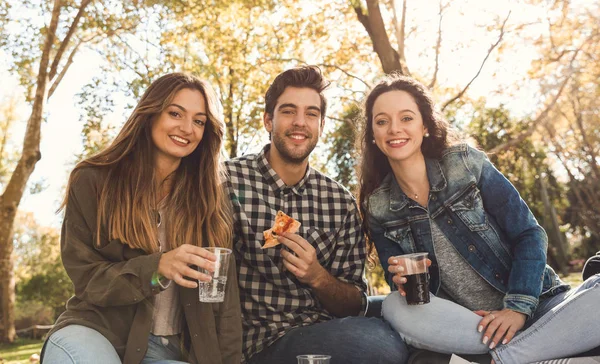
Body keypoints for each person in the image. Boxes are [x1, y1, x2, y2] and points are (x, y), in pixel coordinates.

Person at [357, 74, 600, 363]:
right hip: (471, 325)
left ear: (424, 126)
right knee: (394, 305)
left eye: (406, 118)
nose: (394, 129)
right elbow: (400, 282)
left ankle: (508, 357)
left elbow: (529, 234)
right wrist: (398, 278)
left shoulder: (465, 164)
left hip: (539, 306)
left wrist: (516, 308)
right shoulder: (378, 206)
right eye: (382, 121)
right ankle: (539, 353)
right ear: (373, 134)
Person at [42, 73, 242, 364]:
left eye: (199, 121)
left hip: (170, 350)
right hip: (95, 332)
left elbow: (226, 306)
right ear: (150, 114)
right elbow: (88, 280)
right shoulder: (93, 181)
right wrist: (157, 267)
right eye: (175, 113)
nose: (187, 128)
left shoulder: (210, 202)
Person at [225, 66, 409, 364]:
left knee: (402, 319)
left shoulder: (340, 202)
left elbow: (355, 303)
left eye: (311, 114)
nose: (300, 122)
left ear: (321, 125)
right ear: (268, 120)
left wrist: (318, 277)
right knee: (378, 344)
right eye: (288, 111)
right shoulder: (227, 180)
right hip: (259, 343)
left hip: (327, 331)